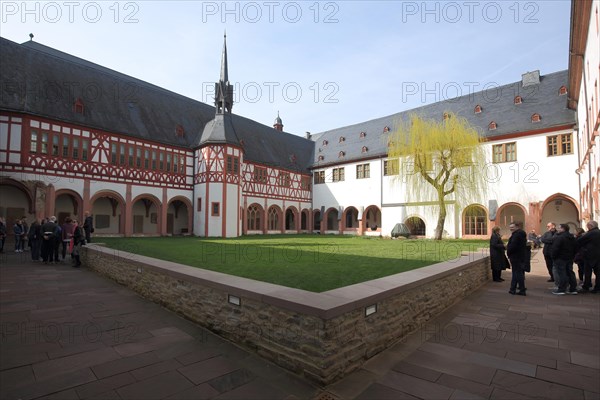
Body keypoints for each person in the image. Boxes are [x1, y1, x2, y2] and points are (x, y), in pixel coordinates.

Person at [550, 224, 578, 295]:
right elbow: (575, 248)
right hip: (569, 257)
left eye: (559, 228)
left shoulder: (560, 237)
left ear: (563, 229)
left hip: (560, 258)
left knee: (562, 273)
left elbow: (555, 248)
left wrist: (553, 256)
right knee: (570, 272)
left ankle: (562, 289)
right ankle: (573, 289)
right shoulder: (572, 237)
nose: (557, 229)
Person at [577, 220, 600, 294]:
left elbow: (579, 241)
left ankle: (586, 286)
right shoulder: (598, 232)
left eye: (588, 226)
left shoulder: (591, 233)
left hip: (590, 255)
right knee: (598, 272)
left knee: (587, 271)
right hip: (598, 255)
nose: (587, 228)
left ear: (590, 226)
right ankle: (598, 287)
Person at [507, 221, 528, 296]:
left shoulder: (517, 235)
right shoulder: (520, 234)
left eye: (512, 227)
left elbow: (513, 246)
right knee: (516, 273)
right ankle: (512, 289)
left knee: (517, 273)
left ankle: (521, 289)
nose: (511, 229)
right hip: (519, 256)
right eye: (510, 227)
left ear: (517, 227)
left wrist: (508, 252)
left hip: (516, 256)